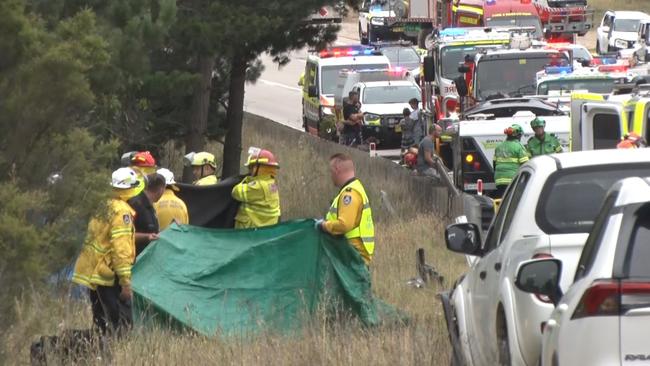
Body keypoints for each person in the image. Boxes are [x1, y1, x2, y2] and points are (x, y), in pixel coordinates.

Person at [72, 168, 139, 335]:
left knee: (101, 325)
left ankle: (91, 354)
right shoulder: (122, 212)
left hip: (95, 275)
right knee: (121, 327)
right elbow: (121, 250)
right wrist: (125, 283)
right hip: (109, 277)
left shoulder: (104, 205)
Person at [316, 153, 375, 266]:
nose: (331, 175)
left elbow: (345, 224)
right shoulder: (356, 188)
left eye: (331, 171)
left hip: (352, 256)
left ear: (337, 169)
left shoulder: (349, 194)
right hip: (353, 256)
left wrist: (324, 225)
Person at [231, 148, 281, 228]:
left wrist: (246, 180)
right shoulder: (271, 183)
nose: (249, 171)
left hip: (249, 234)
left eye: (251, 167)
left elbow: (235, 192)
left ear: (259, 168)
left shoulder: (258, 187)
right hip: (262, 233)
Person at [128, 173, 166, 256]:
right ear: (161, 189)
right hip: (135, 260)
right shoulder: (136, 205)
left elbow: (153, 233)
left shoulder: (150, 206)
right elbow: (126, 235)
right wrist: (147, 237)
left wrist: (171, 227)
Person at [493, 124, 529, 198]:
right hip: (512, 179)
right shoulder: (519, 147)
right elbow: (526, 164)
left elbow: (494, 164)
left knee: (502, 199)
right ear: (518, 135)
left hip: (499, 180)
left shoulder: (499, 147)